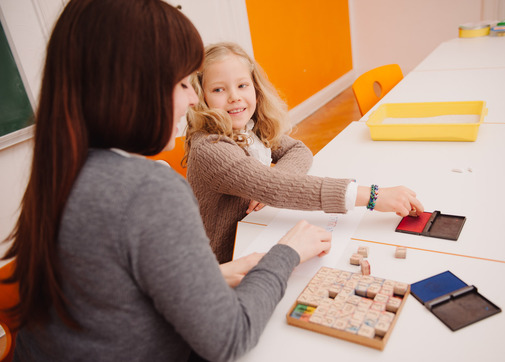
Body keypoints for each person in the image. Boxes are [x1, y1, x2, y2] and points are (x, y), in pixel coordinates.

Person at [0, 1, 332, 361]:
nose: (193, 98)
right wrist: (287, 253)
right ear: (132, 87)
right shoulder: (148, 190)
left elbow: (117, 293)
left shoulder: (60, 169)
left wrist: (213, 276)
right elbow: (230, 338)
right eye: (181, 83)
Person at [184, 42, 424, 263]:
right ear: (200, 96)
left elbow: (298, 150)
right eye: (218, 89)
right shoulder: (210, 147)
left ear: (255, 87)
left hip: (262, 229)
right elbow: (276, 187)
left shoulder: (250, 126)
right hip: (231, 258)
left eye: (242, 85)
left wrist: (268, 185)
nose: (235, 97)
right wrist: (373, 196)